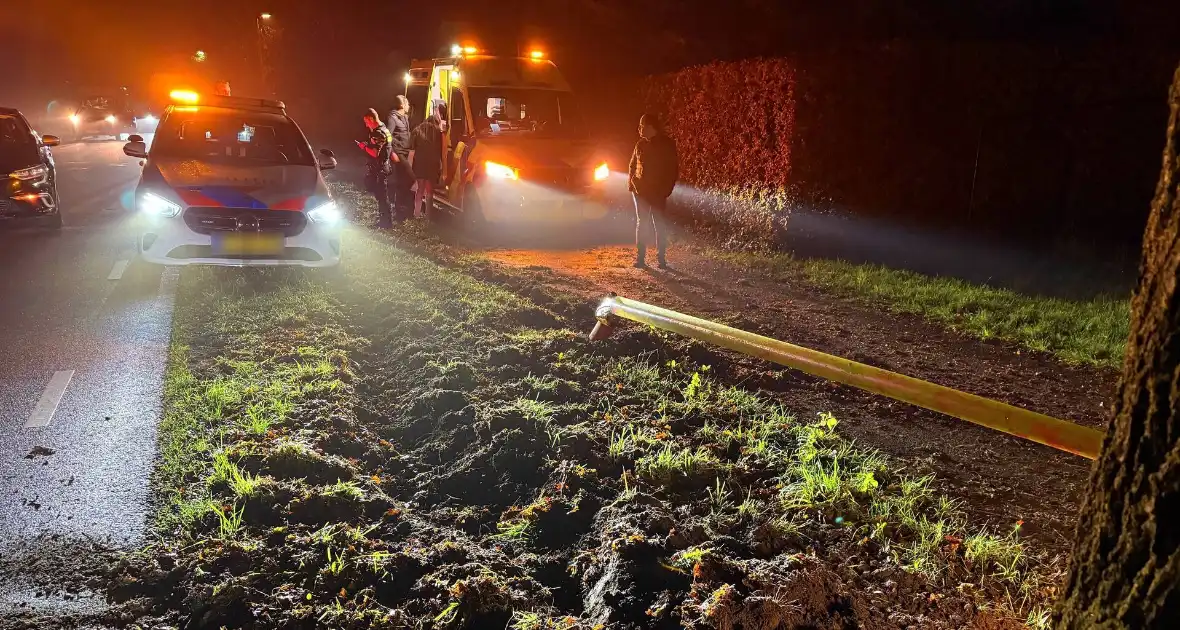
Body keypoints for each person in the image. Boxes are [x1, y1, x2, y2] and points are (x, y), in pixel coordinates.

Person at [627, 113, 679, 269]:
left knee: (659, 223)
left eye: (642, 126)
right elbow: (632, 165)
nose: (639, 129)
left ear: (651, 127)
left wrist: (666, 190)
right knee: (642, 223)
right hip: (640, 191)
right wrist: (632, 184)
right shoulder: (640, 145)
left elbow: (672, 169)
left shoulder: (667, 145)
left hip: (657, 191)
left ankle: (661, 259)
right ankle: (641, 259)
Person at [357, 108, 393, 228]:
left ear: (371, 119)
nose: (366, 125)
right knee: (381, 195)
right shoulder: (385, 129)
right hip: (385, 165)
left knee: (381, 196)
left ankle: (386, 222)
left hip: (380, 169)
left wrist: (363, 147)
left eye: (366, 122)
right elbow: (386, 148)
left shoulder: (377, 133)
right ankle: (385, 220)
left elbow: (375, 153)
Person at [409, 113, 444, 219]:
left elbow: (412, 149)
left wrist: (410, 165)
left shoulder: (417, 130)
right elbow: (441, 150)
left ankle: (417, 213)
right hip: (433, 164)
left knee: (420, 189)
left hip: (420, 162)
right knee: (429, 190)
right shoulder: (438, 132)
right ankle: (428, 215)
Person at [386, 95, 414, 222]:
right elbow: (388, 136)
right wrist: (392, 152)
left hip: (405, 152)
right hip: (398, 153)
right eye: (407, 103)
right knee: (410, 177)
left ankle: (400, 212)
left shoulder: (405, 117)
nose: (409, 105)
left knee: (402, 181)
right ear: (402, 105)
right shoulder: (392, 118)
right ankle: (399, 207)